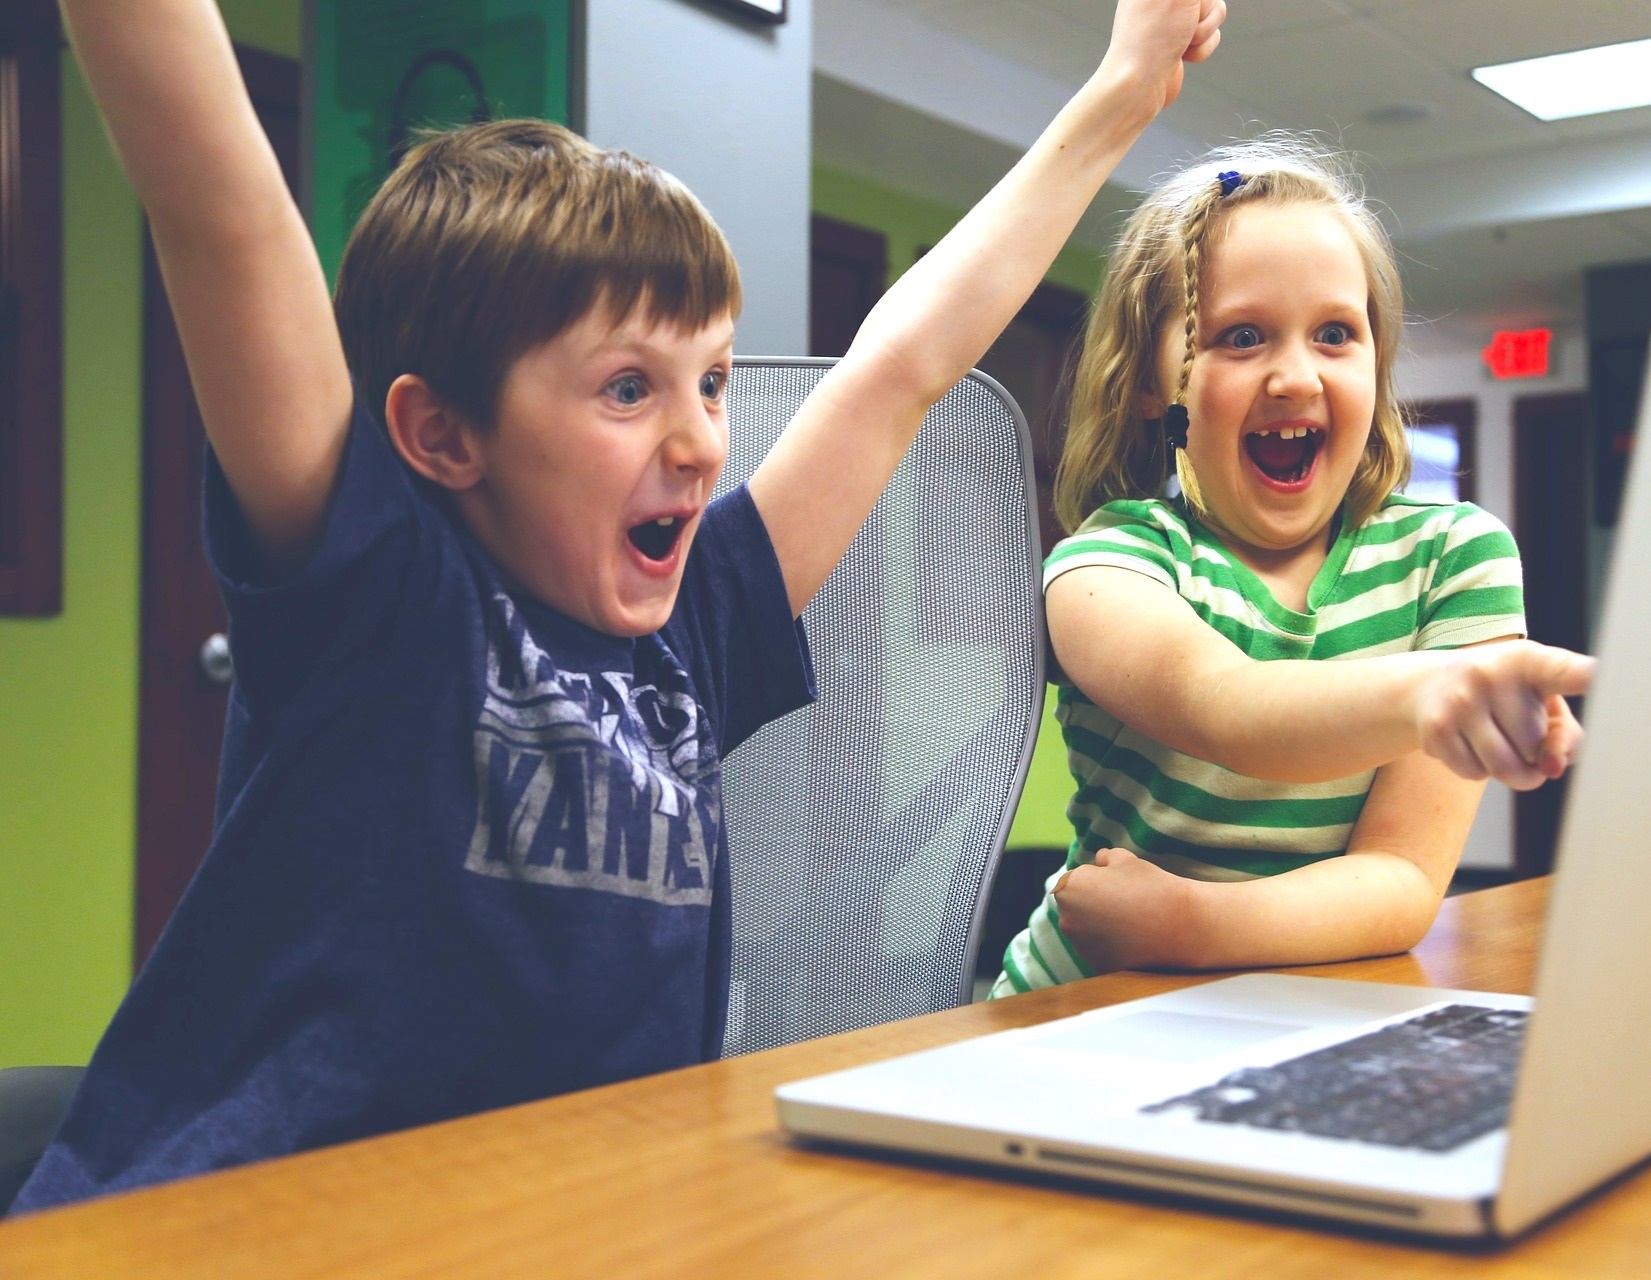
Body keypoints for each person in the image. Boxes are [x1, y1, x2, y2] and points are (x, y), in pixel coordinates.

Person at [15, 0, 1227, 1212]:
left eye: (710, 378)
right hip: (242, 1223)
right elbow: (218, 218)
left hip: (564, 1216)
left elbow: (900, 369)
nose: (704, 441)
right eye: (628, 389)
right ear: (440, 433)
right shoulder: (377, 590)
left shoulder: (695, 625)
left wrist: (1122, 89)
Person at [992, 135, 1593, 997]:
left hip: (1297, 1007)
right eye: (1242, 336)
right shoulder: (1106, 565)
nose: (1296, 376)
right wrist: (1433, 692)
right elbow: (1231, 709)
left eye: (1336, 335)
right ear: (1150, 382)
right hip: (1084, 1007)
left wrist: (1192, 927)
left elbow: (1403, 879)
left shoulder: (1456, 557)